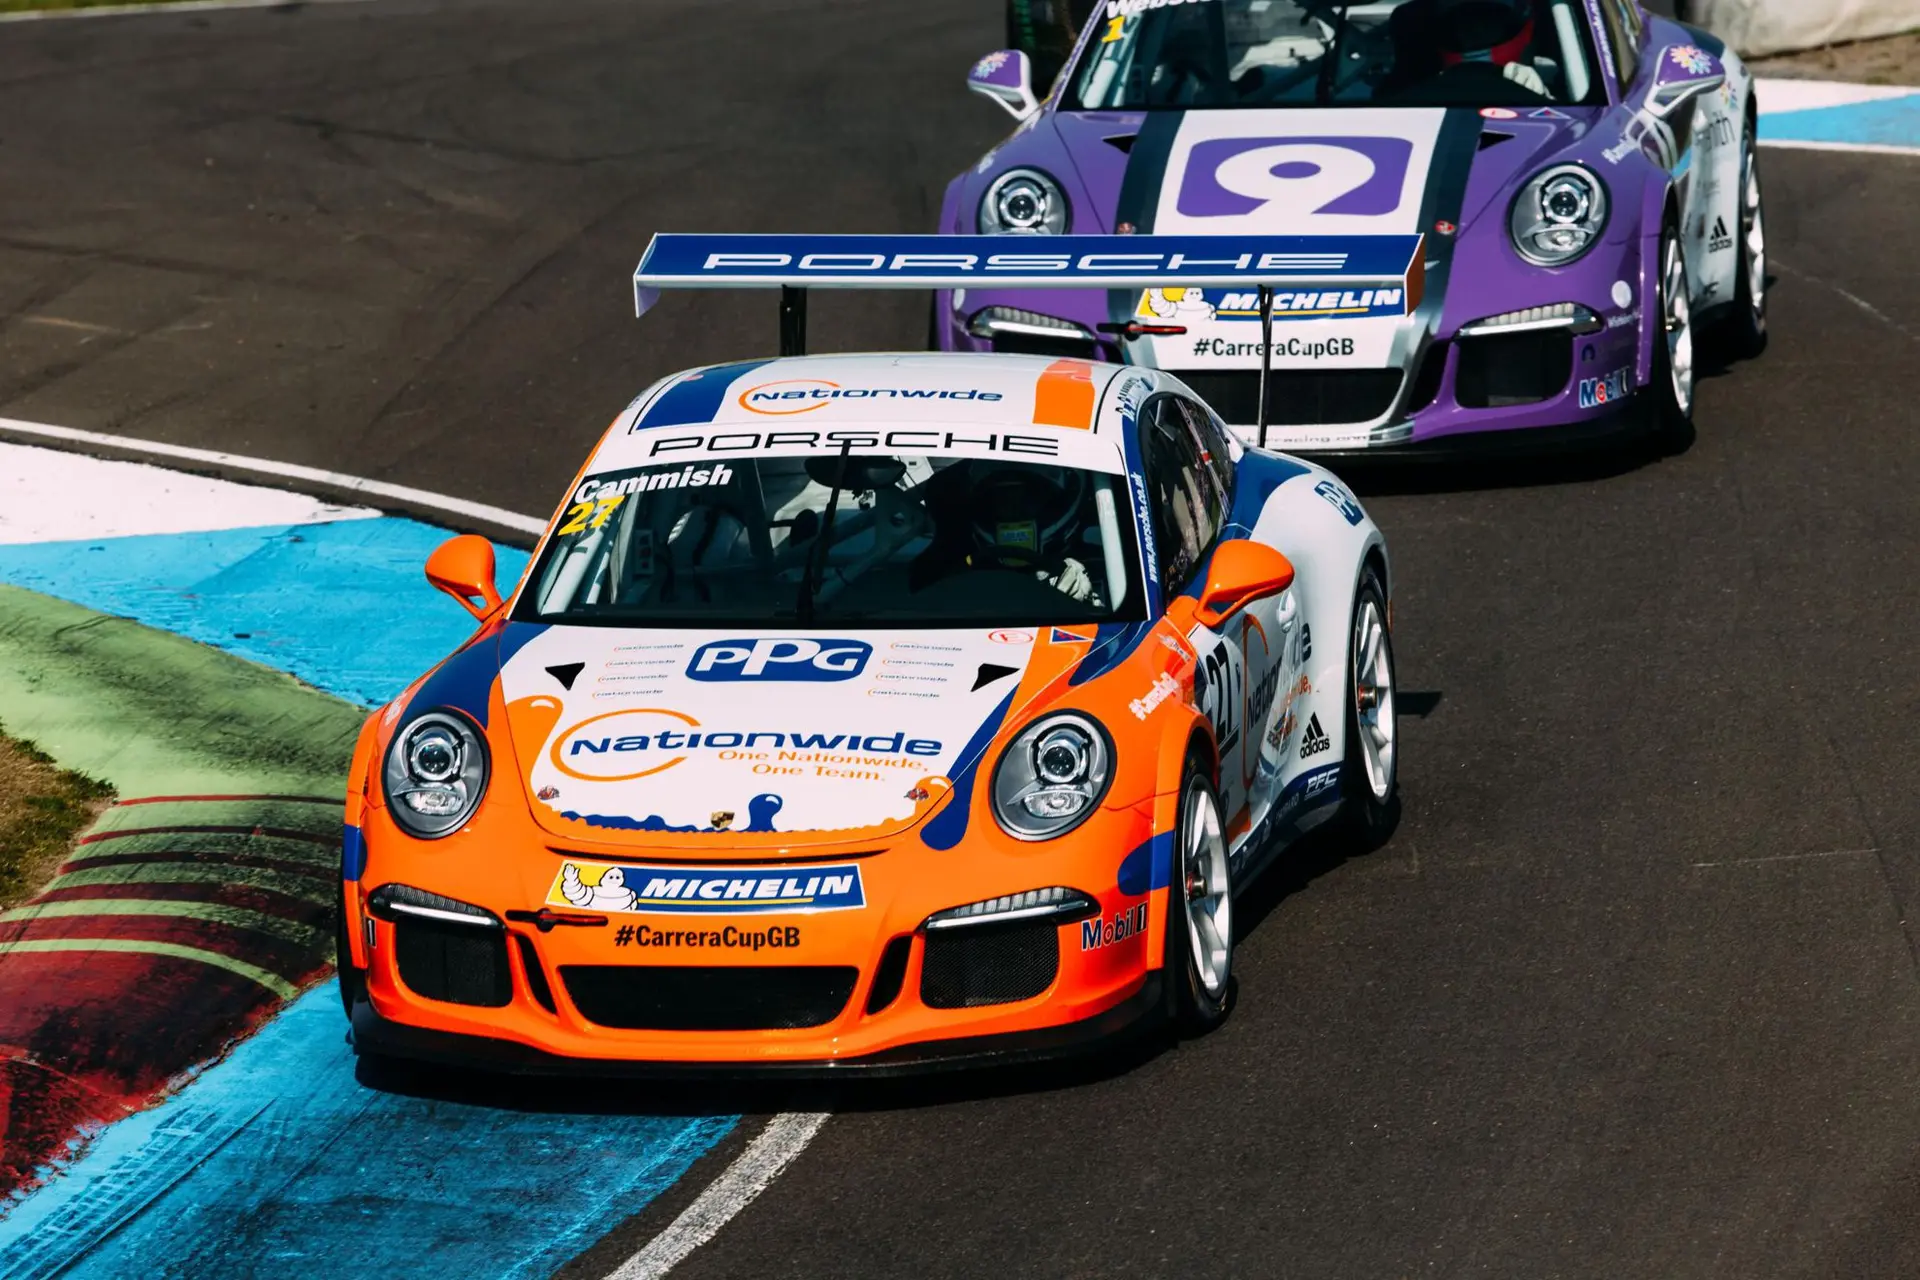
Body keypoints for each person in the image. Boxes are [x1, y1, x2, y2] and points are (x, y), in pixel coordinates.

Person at [964, 464, 1099, 604]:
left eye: (1027, 501)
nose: (1014, 513)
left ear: (1057, 504)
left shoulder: (1104, 566)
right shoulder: (966, 574)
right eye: (1003, 501)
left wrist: (1087, 602)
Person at [1382, 0, 1552, 98]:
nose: (1475, 30)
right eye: (1463, 21)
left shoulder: (1553, 87)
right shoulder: (1407, 98)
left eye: (1488, 18)